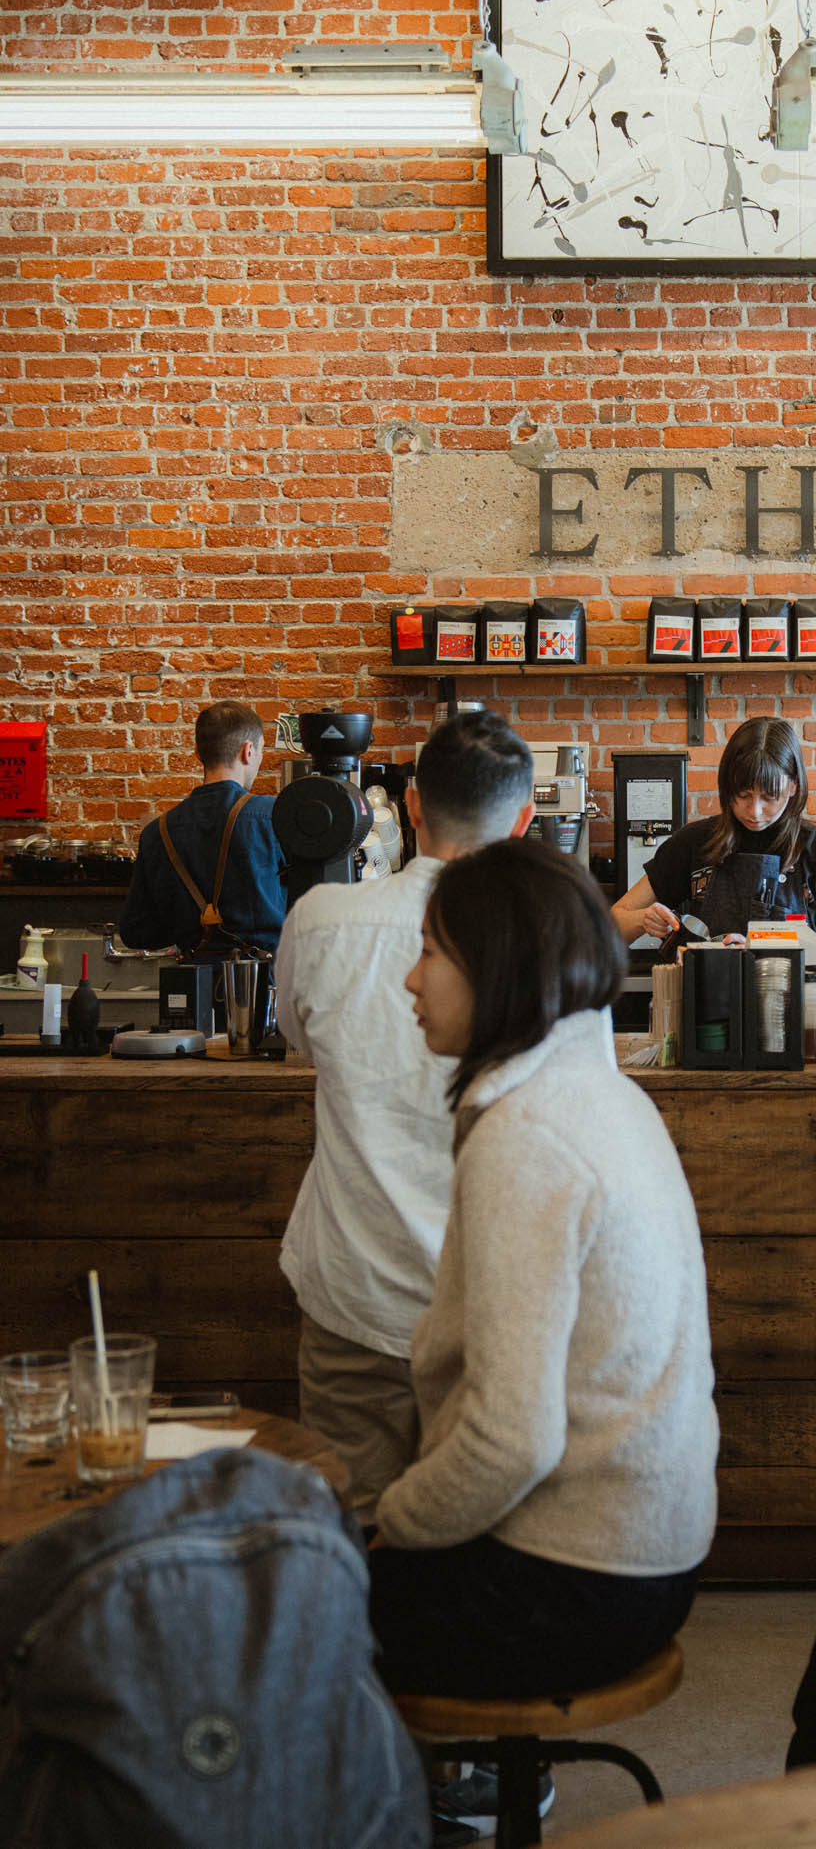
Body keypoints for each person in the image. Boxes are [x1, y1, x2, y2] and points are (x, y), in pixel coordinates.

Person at [368, 837, 718, 1704]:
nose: (410, 982)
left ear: (499, 968)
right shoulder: (606, 1094)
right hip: (654, 1558)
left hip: (572, 1581)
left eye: (430, 954)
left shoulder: (526, 1134)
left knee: (262, 1609)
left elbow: (509, 1439)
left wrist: (387, 1526)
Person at [275, 713, 534, 1522]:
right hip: (491, 1308)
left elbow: (298, 1042)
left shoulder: (320, 920)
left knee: (352, 1547)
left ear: (412, 806)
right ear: (526, 821)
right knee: (479, 1550)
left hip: (357, 1291)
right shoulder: (550, 942)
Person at [611, 717, 816, 949]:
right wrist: (644, 919)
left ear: (794, 785)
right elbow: (612, 924)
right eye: (743, 796)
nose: (755, 811)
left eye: (769, 797)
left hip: (796, 995)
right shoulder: (692, 843)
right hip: (706, 993)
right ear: (727, 785)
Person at [119, 700, 285, 958]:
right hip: (268, 984)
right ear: (248, 751)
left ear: (198, 752)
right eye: (262, 750)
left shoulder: (157, 832)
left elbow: (136, 932)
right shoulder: (273, 817)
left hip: (191, 986)